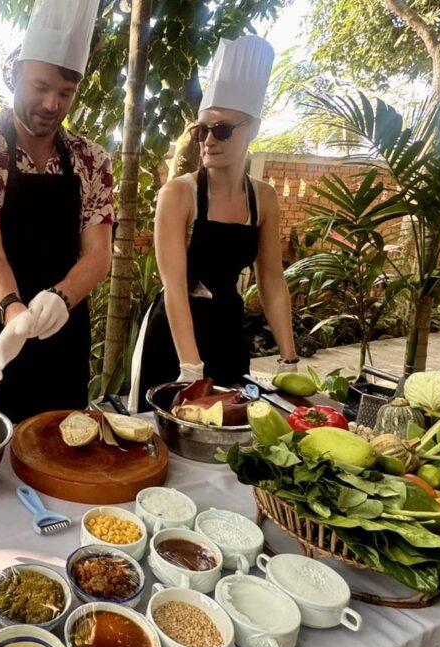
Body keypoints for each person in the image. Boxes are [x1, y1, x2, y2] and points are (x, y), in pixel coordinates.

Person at [0, 0, 113, 423]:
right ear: (16, 74)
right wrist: (15, 315)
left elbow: (98, 253)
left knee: (61, 449)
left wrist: (61, 297)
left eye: (65, 93)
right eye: (40, 86)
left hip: (63, 329)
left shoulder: (91, 159)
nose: (51, 103)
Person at [129, 35, 298, 412]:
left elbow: (271, 280)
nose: (208, 139)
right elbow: (174, 287)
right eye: (202, 129)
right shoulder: (179, 194)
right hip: (175, 336)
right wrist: (191, 370)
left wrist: (290, 361)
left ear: (252, 128)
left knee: (228, 439)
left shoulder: (264, 198)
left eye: (221, 130)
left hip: (227, 331)